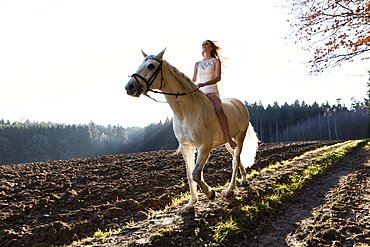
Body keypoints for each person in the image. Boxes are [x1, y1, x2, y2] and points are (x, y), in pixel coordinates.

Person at [173, 40, 237, 155]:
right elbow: (193, 80)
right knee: (186, 110)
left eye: (206, 44)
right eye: (202, 44)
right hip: (200, 92)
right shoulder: (197, 64)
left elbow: (218, 78)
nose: (204, 45)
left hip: (211, 90)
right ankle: (182, 141)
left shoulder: (215, 61)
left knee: (219, 109)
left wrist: (204, 84)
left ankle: (228, 137)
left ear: (212, 48)